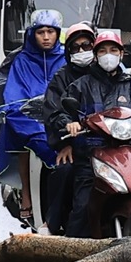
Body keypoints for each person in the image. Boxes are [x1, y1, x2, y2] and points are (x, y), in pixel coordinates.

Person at [49, 27, 131, 235]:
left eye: (113, 50)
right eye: (102, 51)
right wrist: (69, 123)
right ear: (96, 55)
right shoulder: (81, 85)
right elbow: (60, 112)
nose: (108, 55)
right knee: (83, 208)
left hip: (129, 157)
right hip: (91, 158)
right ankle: (73, 257)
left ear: (121, 54)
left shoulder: (130, 84)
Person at [0, 9, 65, 220]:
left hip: (61, 118)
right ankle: (26, 192)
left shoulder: (66, 58)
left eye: (50, 32)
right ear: (32, 34)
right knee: (19, 133)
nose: (45, 37)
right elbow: (14, 96)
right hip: (29, 118)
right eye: (40, 31)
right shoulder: (22, 60)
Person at [38, 23, 98, 232]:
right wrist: (68, 138)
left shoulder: (113, 75)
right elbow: (53, 111)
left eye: (87, 46)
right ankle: (52, 224)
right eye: (76, 47)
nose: (82, 51)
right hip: (77, 144)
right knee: (65, 170)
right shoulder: (61, 78)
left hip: (111, 145)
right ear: (68, 51)